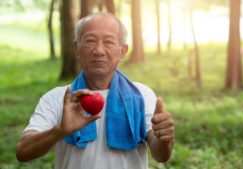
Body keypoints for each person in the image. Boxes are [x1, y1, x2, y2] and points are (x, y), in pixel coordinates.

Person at [16, 12, 175, 169]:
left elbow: (161, 155)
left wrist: (165, 139)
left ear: (122, 51)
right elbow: (23, 152)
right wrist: (59, 131)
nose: (99, 50)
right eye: (90, 41)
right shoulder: (58, 98)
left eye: (108, 42)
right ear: (77, 49)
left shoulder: (141, 95)